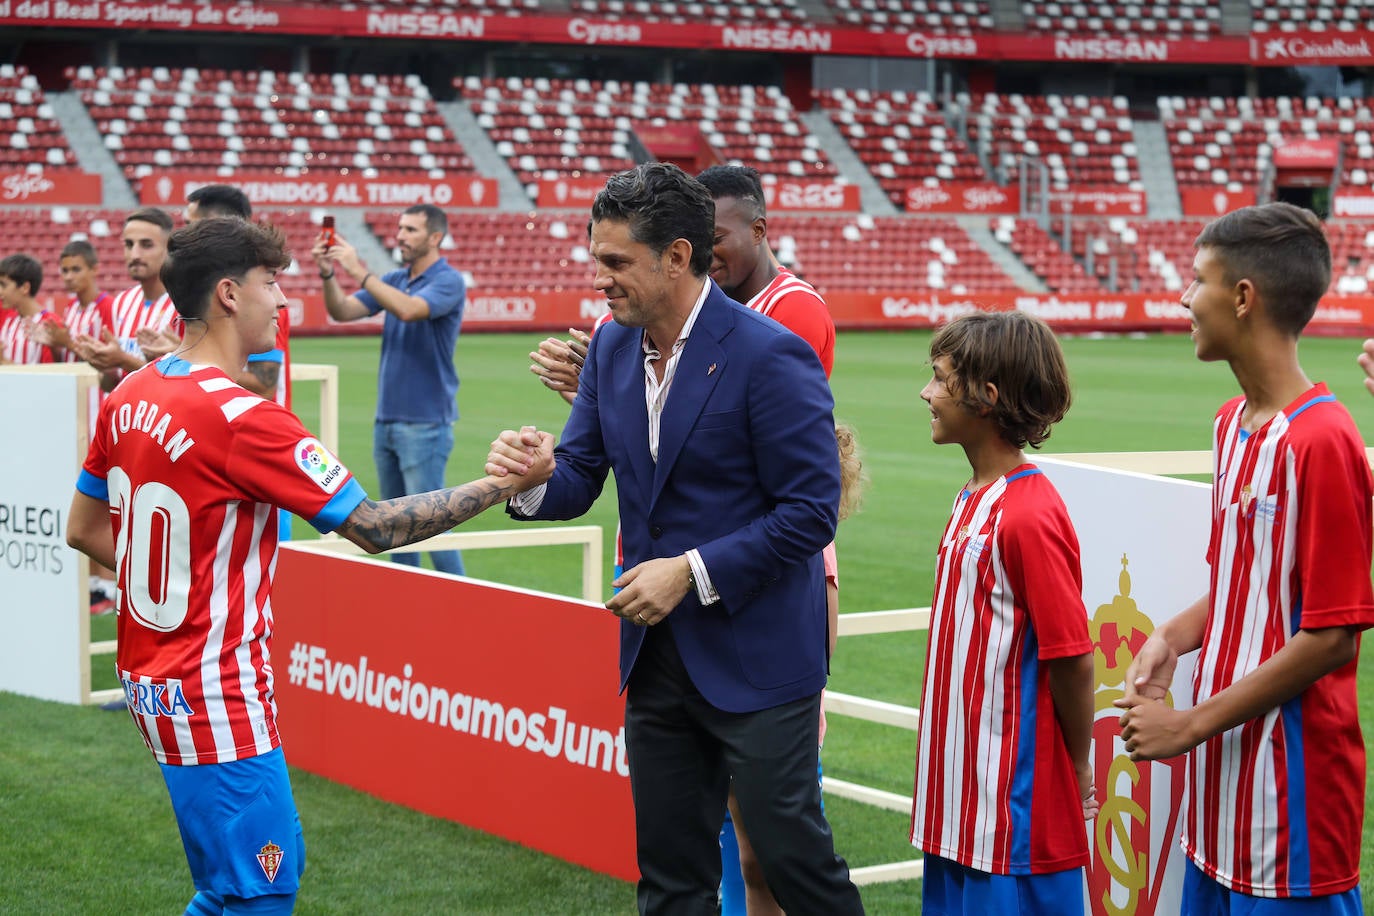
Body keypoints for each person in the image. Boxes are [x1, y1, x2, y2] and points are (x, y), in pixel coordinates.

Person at [64, 217, 550, 916]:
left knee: (231, 886)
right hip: (216, 695)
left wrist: (183, 578)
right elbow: (375, 527)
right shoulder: (246, 418)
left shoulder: (132, 391)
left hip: (153, 686)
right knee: (261, 894)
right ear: (230, 294)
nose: (283, 302)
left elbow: (83, 529)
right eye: (271, 283)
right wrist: (505, 484)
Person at [488, 163, 863, 916]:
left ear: (678, 258)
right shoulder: (612, 348)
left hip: (760, 659)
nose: (599, 279)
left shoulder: (768, 353)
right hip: (656, 661)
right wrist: (531, 479)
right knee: (669, 878)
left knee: (794, 865)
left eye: (615, 262)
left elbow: (811, 511)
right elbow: (580, 476)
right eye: (598, 259)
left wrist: (688, 573)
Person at [1117, 202, 1374, 911]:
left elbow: (1330, 635)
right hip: (1219, 790)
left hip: (1288, 801)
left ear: (1242, 297)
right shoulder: (1231, 425)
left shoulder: (1324, 441)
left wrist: (1189, 724)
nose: (1183, 298)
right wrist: (1173, 635)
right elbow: (1243, 580)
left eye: (1197, 280)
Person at [910, 310, 1096, 915]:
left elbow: (1072, 656)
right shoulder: (972, 497)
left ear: (986, 397)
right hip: (958, 800)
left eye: (940, 379)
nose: (926, 393)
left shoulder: (1028, 513)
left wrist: (1078, 763)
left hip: (1010, 815)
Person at [696, 163, 840, 916]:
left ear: (759, 228)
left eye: (716, 236)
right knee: (726, 818)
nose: (705, 251)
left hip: (773, 566)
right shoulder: (720, 309)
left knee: (773, 829)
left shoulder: (795, 311)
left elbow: (729, 436)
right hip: (720, 565)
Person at [313, 204, 467, 576]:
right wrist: (328, 274)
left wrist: (358, 270)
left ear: (435, 238)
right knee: (397, 528)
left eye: (411, 230)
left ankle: (466, 603)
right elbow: (343, 311)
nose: (400, 236)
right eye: (400, 228)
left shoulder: (448, 280)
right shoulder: (396, 278)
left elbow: (411, 310)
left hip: (425, 422)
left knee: (432, 526)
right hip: (388, 419)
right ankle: (407, 601)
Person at [183, 184, 291, 408]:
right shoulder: (198, 289)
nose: (183, 236)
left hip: (256, 431)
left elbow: (264, 385)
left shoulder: (261, 299)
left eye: (191, 226)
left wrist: (185, 361)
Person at [73, 208, 179, 390]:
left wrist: (123, 360)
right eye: (129, 245)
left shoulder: (186, 303)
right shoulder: (122, 302)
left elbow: (184, 383)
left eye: (146, 245)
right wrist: (104, 364)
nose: (135, 255)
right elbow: (111, 384)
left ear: (168, 249)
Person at [23, 240, 113, 366]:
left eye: (76, 270)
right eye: (65, 271)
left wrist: (68, 343)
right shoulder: (71, 307)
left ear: (94, 269)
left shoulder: (109, 306)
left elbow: (109, 362)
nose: (69, 277)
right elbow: (65, 359)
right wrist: (54, 344)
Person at [0, 253, 59, 365]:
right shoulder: (8, 318)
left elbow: (49, 377)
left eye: (4, 285)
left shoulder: (50, 323)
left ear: (25, 288)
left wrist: (3, 362)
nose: (0, 291)